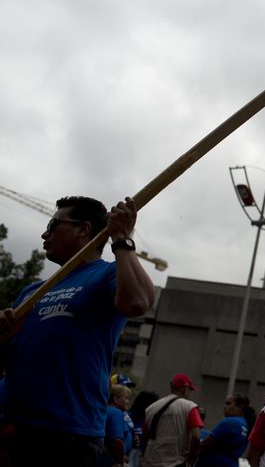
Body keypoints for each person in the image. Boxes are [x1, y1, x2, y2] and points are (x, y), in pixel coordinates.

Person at [0, 196, 155, 466]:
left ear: (84, 229)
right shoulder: (30, 293)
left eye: (53, 224)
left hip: (68, 436)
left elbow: (137, 302)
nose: (44, 233)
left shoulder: (106, 274)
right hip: (10, 429)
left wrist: (122, 239)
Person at [142, 373, 203, 467]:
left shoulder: (150, 408)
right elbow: (196, 436)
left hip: (150, 461)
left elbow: (145, 436)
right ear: (185, 388)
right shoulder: (190, 407)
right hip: (175, 462)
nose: (189, 393)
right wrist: (190, 460)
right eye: (190, 389)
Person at [195, 393, 255, 467]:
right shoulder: (246, 424)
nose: (225, 407)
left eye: (228, 404)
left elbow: (205, 444)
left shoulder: (231, 422)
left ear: (239, 407)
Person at [100, 384, 134, 467]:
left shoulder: (105, 410)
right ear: (115, 399)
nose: (128, 402)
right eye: (126, 398)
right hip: (110, 462)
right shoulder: (116, 412)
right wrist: (121, 460)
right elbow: (117, 441)